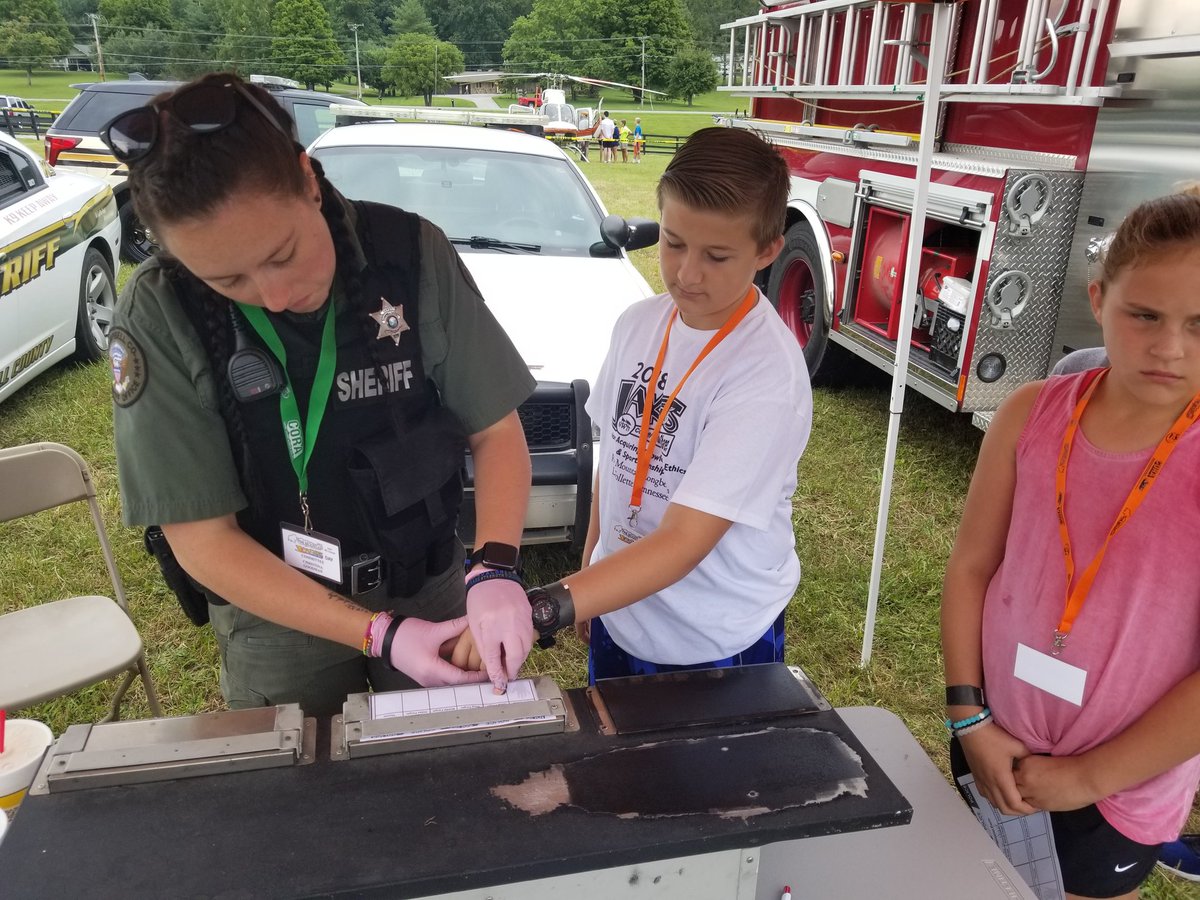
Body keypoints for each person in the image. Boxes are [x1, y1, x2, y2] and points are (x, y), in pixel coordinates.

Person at [102, 72, 538, 717]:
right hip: (278, 616)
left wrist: (496, 566)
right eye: (226, 279)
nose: (274, 296)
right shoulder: (160, 312)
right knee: (298, 795)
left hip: (426, 582)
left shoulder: (411, 255)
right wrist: (378, 633)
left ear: (309, 179)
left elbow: (496, 431)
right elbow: (201, 536)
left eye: (283, 255)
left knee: (447, 779)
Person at [455, 127, 811, 680]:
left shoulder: (766, 373)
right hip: (622, 609)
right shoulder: (638, 324)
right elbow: (617, 459)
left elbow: (684, 542)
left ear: (767, 249)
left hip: (712, 632)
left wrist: (546, 603)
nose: (687, 274)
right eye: (673, 242)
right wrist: (592, 566)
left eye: (717, 255)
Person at [940, 190, 1200, 899]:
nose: (1169, 347)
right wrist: (969, 715)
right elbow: (971, 567)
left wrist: (1087, 778)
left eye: (1199, 325)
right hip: (990, 742)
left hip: (1114, 792)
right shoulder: (1030, 412)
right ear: (1098, 298)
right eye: (1144, 315)